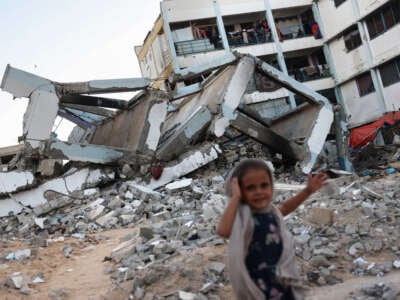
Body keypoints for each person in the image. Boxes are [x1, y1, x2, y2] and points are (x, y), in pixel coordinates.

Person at [217, 159, 328, 300]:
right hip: (258, 284)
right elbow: (223, 231)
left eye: (264, 185)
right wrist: (235, 198)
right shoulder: (244, 219)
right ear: (240, 190)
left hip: (280, 278)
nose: (259, 192)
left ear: (272, 186)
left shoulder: (270, 212)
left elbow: (285, 208)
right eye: (250, 188)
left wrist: (308, 191)